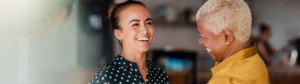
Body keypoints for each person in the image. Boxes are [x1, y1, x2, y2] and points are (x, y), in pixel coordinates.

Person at [89, 0, 169, 84]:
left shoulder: (161, 76)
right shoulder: (104, 79)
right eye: (135, 24)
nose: (145, 30)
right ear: (119, 34)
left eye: (148, 23)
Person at [195, 0, 270, 84]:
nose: (200, 41)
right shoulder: (257, 61)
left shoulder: (224, 79)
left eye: (202, 36)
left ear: (227, 37)